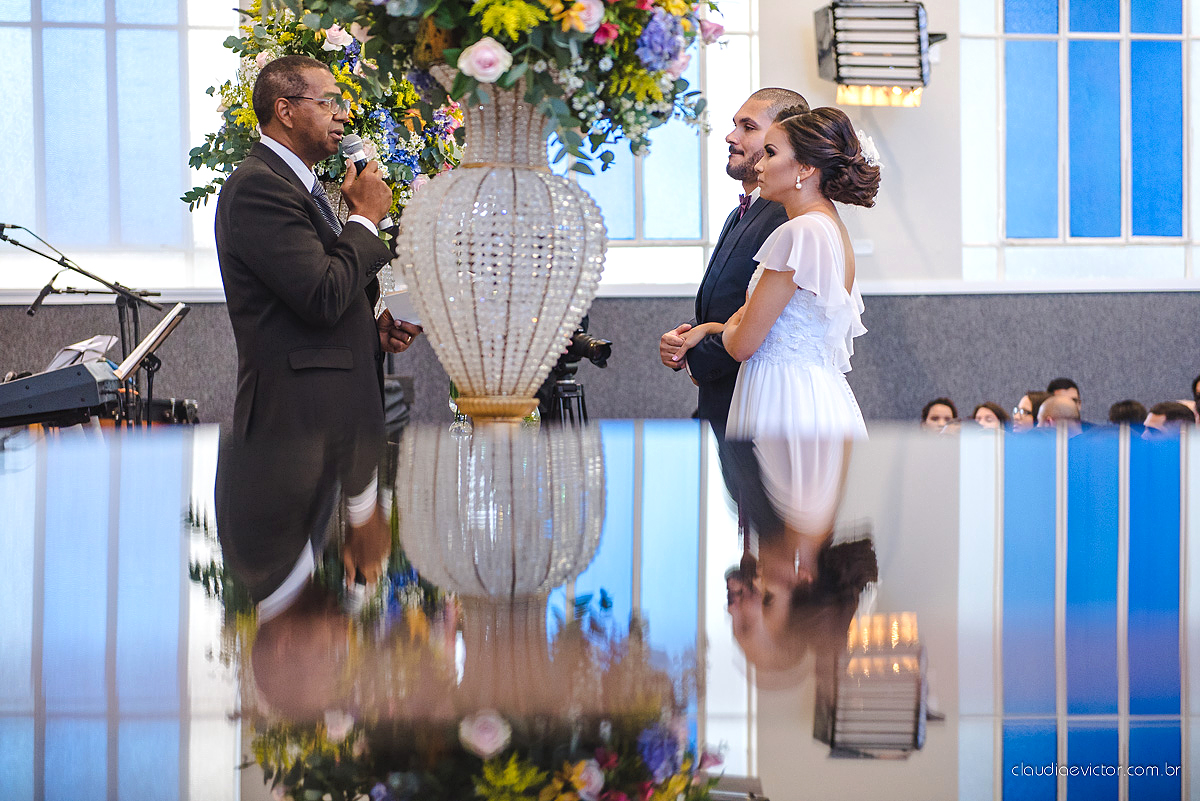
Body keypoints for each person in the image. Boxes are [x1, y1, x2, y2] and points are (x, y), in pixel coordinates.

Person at [215, 54, 421, 445]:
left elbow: (318, 298)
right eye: (328, 103)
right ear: (285, 111)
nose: (343, 116)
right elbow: (321, 296)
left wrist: (366, 333)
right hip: (294, 422)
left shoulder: (300, 185)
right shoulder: (258, 187)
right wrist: (364, 217)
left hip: (333, 412)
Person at [671, 106, 878, 440]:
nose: (760, 165)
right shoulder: (830, 227)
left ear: (806, 167)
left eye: (770, 153)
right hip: (813, 391)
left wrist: (728, 333)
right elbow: (764, 320)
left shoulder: (799, 233)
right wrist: (709, 328)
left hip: (784, 399)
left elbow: (742, 345)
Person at [659, 87, 809, 440]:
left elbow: (768, 322)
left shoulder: (786, 218)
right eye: (734, 125)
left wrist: (693, 356)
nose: (731, 136)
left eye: (748, 127)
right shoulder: (739, 213)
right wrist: (685, 336)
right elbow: (731, 304)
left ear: (784, 139)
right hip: (723, 405)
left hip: (758, 409)